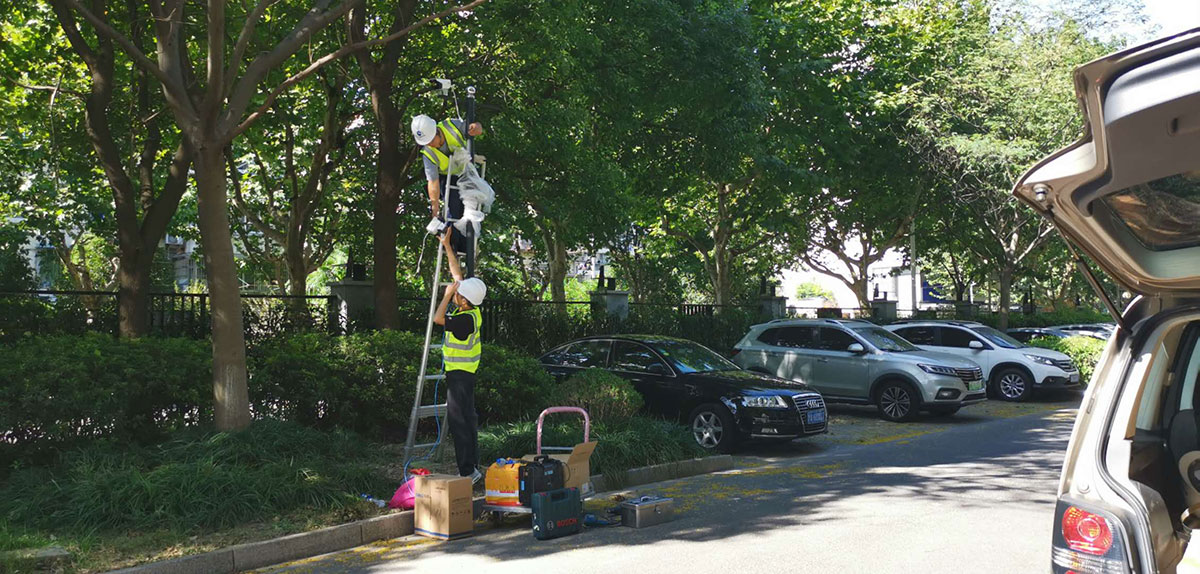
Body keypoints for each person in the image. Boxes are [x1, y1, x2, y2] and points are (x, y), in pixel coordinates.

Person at [433, 228, 487, 483]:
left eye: (457, 294)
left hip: (460, 377)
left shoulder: (464, 321)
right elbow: (457, 276)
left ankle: (468, 471)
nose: (455, 292)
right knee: (467, 419)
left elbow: (438, 318)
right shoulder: (471, 309)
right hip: (464, 375)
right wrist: (447, 245)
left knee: (460, 423)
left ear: (464, 301)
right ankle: (472, 467)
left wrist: (445, 297)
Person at [411, 114, 483, 241]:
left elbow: (476, 128)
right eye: (426, 143)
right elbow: (433, 182)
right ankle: (452, 245)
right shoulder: (428, 154)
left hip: (467, 174)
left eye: (431, 141)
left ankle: (468, 245)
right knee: (453, 211)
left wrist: (476, 128)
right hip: (448, 179)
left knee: (470, 211)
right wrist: (435, 208)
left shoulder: (452, 126)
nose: (430, 145)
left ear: (436, 131)